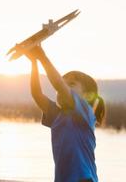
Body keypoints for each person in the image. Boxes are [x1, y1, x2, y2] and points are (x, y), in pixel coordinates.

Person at [25, 44, 105, 182]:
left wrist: (42, 57)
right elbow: (37, 94)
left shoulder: (85, 111)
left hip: (84, 179)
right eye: (64, 83)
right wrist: (34, 62)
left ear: (86, 95)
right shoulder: (57, 115)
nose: (64, 88)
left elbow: (58, 84)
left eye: (71, 84)